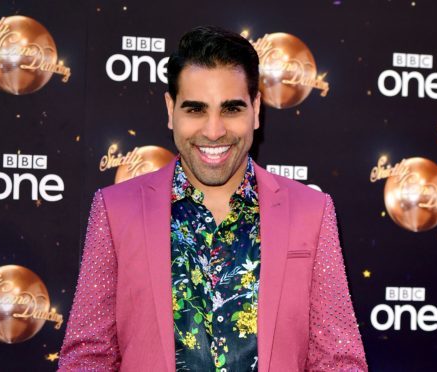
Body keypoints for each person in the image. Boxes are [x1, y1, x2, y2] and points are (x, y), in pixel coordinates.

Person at [58, 26, 367, 371]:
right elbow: (88, 358)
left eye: (231, 109)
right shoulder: (115, 210)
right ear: (170, 109)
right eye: (196, 110)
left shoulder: (312, 212)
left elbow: (338, 362)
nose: (214, 130)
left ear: (256, 109)